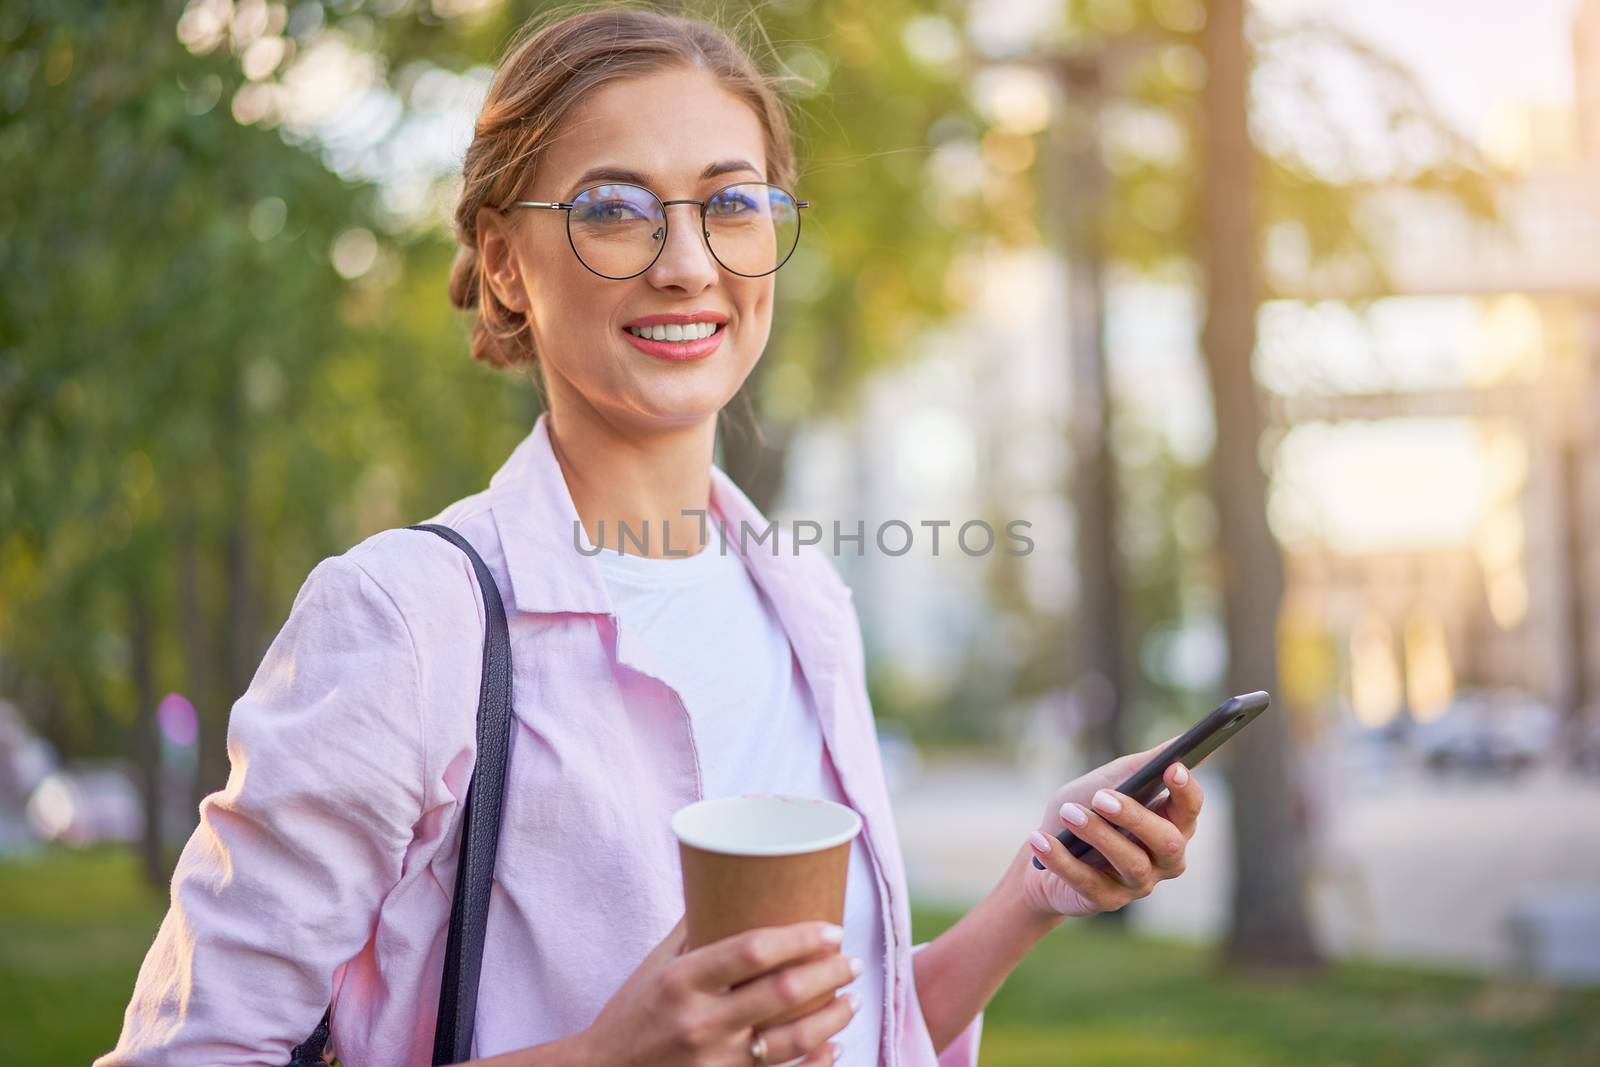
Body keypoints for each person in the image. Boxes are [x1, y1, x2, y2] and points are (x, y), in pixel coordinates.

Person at [97, 8, 1206, 1066]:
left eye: (731, 204)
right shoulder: (407, 619)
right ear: (501, 262)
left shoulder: (801, 596)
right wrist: (602, 1053)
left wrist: (1034, 887)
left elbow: (843, 1027)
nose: (686, 263)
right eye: (613, 208)